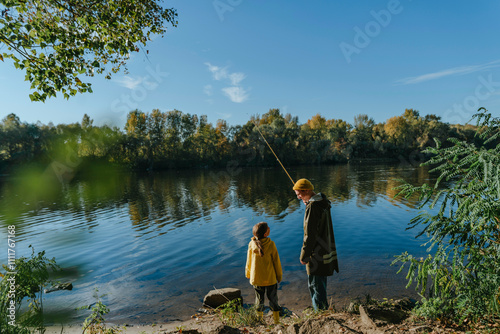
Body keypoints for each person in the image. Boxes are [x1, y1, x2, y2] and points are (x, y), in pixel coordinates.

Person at [293, 178, 339, 311]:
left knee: (315, 285)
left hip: (316, 254)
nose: (298, 197)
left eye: (299, 194)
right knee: (320, 284)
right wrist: (308, 202)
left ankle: (320, 313)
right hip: (324, 250)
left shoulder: (313, 207)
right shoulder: (322, 202)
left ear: (307, 190)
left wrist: (304, 255)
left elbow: (310, 235)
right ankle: (322, 310)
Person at [245, 222, 283, 324]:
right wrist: (279, 276)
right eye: (268, 228)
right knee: (273, 300)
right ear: (265, 234)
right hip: (270, 279)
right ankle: (276, 322)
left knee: (259, 300)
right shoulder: (271, 244)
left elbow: (248, 261)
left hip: (256, 279)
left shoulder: (251, 244)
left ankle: (260, 321)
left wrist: (248, 274)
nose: (269, 228)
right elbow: (276, 262)